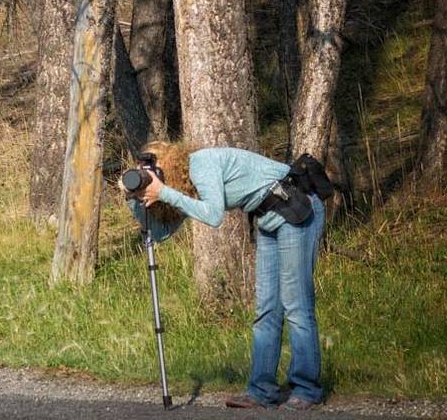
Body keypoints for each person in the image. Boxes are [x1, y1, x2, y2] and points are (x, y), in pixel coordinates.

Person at [124, 142, 325, 410]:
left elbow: (214, 215)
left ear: (169, 163)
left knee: (296, 304)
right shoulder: (182, 187)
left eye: (152, 171)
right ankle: (262, 390)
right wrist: (132, 199)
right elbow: (161, 234)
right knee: (266, 309)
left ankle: (307, 389)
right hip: (268, 218)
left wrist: (164, 192)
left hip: (296, 207)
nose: (150, 179)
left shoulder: (202, 164)